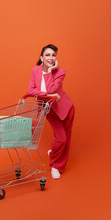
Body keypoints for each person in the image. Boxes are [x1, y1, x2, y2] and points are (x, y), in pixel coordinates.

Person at [27, 44, 75, 179]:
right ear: (41, 58)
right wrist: (46, 94)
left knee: (66, 140)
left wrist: (50, 71)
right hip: (49, 110)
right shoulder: (35, 70)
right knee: (61, 138)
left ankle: (56, 166)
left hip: (65, 108)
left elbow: (52, 89)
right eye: (47, 55)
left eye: (53, 55)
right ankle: (54, 154)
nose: (51, 57)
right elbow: (31, 90)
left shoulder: (60, 72)